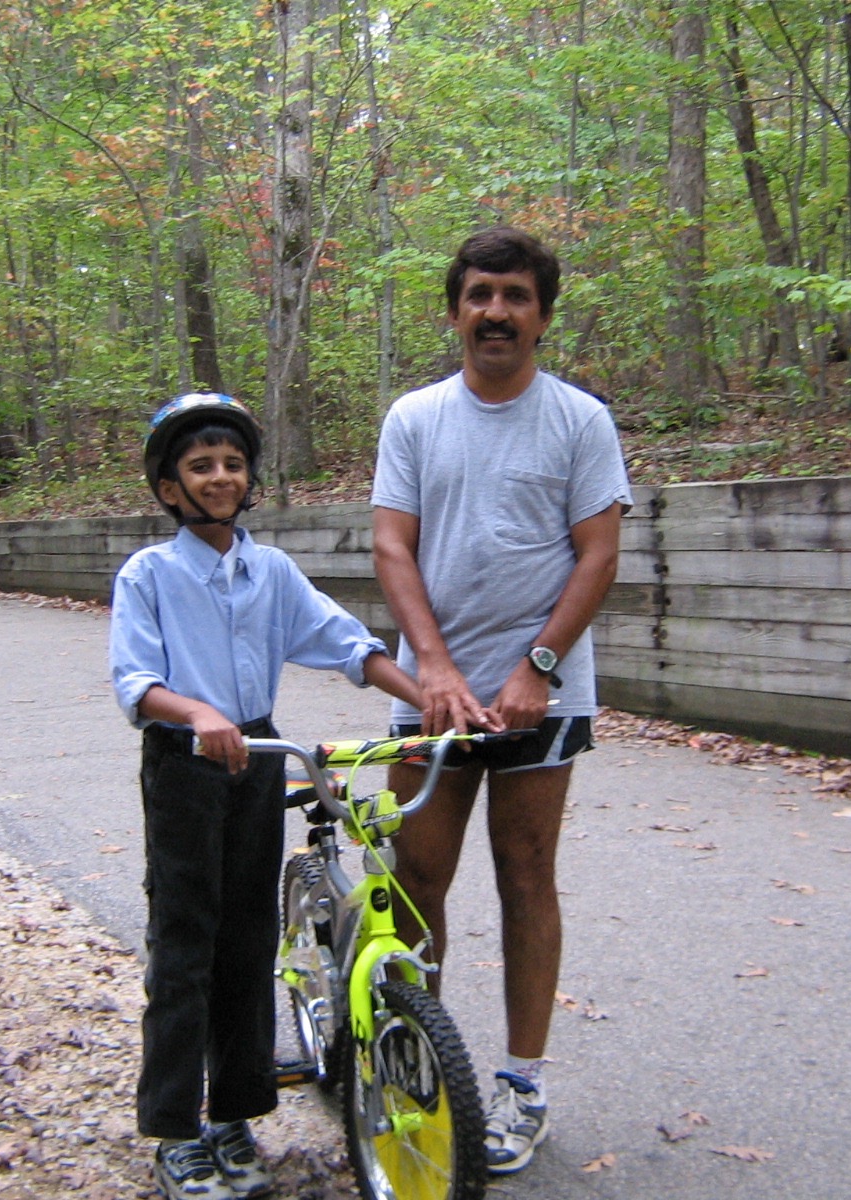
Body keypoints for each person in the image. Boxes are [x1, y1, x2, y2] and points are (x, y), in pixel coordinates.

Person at [110, 392, 422, 1200]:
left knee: (250, 942)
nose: (219, 477)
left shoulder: (271, 571)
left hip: (256, 759)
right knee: (186, 945)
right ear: (170, 487)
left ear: (249, 478)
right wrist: (197, 712)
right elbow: (137, 683)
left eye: (232, 464)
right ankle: (176, 1129)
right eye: (199, 466)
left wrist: (426, 696)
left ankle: (234, 1117)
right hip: (184, 765)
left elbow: (345, 642)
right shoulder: (148, 574)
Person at [370, 226, 632, 1175]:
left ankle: (522, 1084)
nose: (495, 312)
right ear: (455, 311)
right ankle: (415, 1064)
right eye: (480, 294)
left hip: (540, 698)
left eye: (516, 296)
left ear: (541, 317)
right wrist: (432, 667)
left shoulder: (578, 421)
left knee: (527, 878)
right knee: (417, 877)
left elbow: (598, 553)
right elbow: (394, 546)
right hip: (429, 693)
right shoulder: (415, 418)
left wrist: (539, 667)